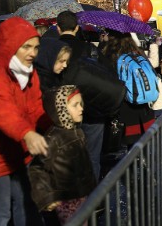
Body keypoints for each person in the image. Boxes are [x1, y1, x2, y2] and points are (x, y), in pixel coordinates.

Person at [0, 16, 50, 225]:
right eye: (26, 47)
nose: (32, 53)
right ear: (10, 45)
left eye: (35, 47)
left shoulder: (29, 73)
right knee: (0, 214)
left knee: (27, 204)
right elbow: (2, 112)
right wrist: (27, 133)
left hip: (17, 152)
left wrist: (55, 124)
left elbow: (35, 107)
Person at [28, 85, 97, 225]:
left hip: (82, 195)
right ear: (61, 110)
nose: (81, 109)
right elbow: (37, 168)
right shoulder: (54, 138)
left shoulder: (78, 132)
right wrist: (46, 198)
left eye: (81, 104)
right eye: (75, 105)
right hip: (66, 200)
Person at [99, 30, 155, 147]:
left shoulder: (110, 55)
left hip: (123, 104)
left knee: (129, 142)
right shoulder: (137, 52)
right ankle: (144, 162)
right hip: (143, 103)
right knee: (144, 140)